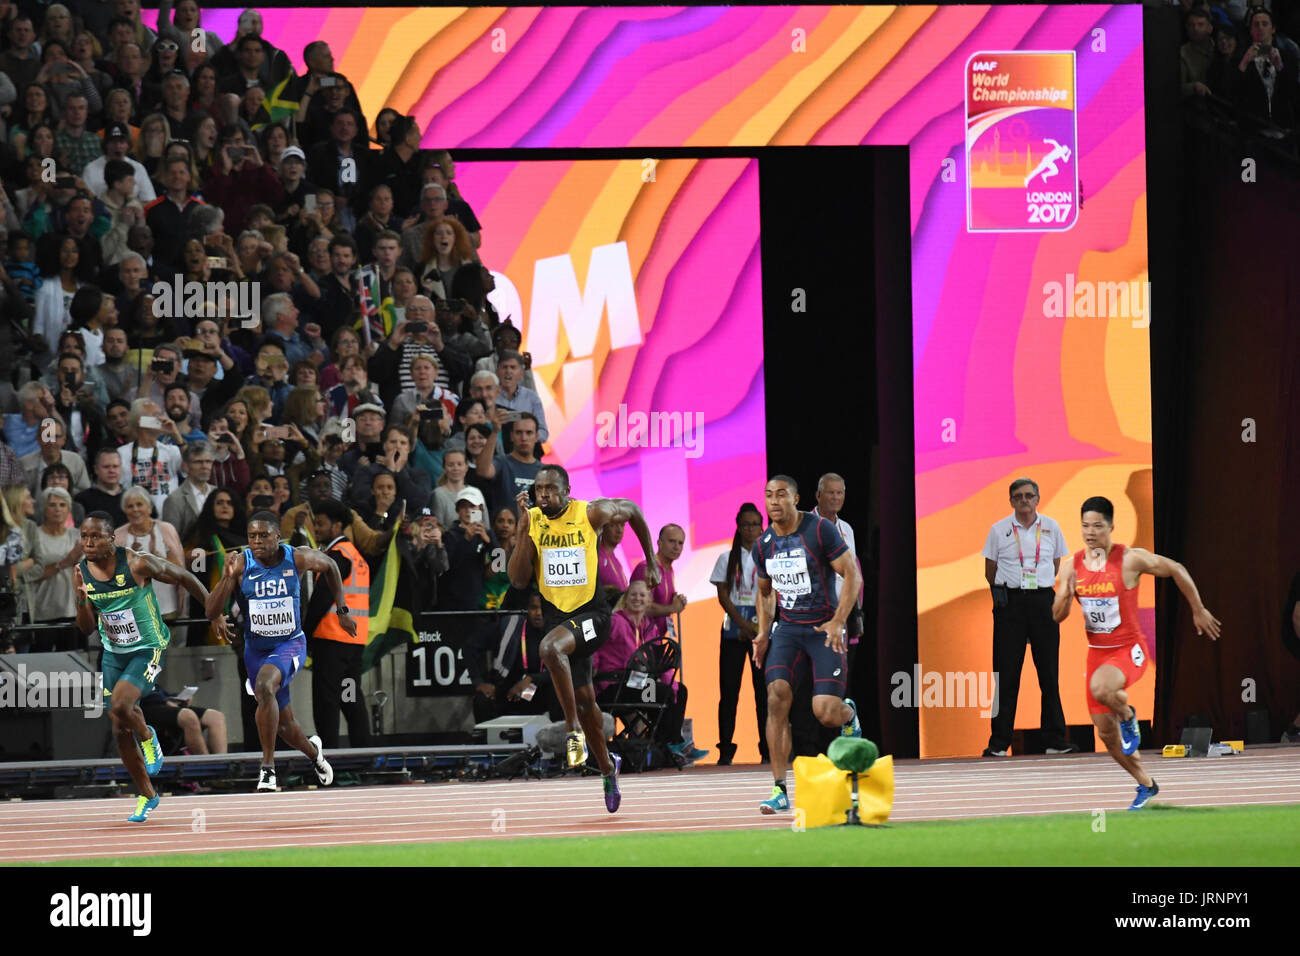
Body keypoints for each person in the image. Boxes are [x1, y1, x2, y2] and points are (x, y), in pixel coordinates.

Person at [507, 464, 663, 812]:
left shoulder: (591, 512)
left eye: (549, 489)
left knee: (549, 647)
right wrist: (521, 530)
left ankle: (572, 730)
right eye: (538, 489)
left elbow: (634, 510)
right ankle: (608, 767)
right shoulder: (533, 521)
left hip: (593, 617)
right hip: (559, 620)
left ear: (566, 490)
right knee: (586, 700)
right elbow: (517, 580)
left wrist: (651, 560)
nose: (542, 495)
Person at [1053, 496, 1221, 810]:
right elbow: (1057, 616)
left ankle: (1129, 716)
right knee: (1107, 736)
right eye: (1085, 526)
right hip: (1097, 655)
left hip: (1130, 651)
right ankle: (1146, 784)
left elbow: (1176, 568)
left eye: (1097, 526)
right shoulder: (1071, 567)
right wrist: (1064, 594)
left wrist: (1198, 609)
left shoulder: (1129, 559)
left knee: (1102, 688)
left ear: (1111, 526)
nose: (1090, 532)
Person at [74, 512, 230, 822]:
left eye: (95, 537)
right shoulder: (81, 572)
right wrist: (80, 600)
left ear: (111, 539)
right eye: (84, 537)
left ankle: (148, 736)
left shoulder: (136, 563)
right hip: (113, 652)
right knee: (118, 725)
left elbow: (185, 576)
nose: (88, 543)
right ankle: (147, 795)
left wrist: (214, 611)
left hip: (148, 648)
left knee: (121, 704)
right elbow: (86, 627)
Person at [205, 510, 351, 792]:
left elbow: (331, 566)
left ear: (276, 536)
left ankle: (268, 768)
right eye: (252, 536)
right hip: (255, 649)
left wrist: (342, 610)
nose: (257, 541)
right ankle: (315, 755)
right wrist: (227, 578)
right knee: (285, 727)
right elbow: (211, 610)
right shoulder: (240, 564)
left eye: (263, 535)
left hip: (289, 644)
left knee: (264, 686)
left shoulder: (297, 557)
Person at [752, 475, 863, 814]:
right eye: (768, 495)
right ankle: (779, 789)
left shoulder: (818, 530)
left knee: (825, 713)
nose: (774, 500)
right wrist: (762, 632)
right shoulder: (764, 544)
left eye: (781, 494)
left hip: (822, 629)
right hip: (787, 631)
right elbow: (765, 592)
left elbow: (851, 574)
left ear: (796, 498)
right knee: (776, 699)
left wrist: (838, 621)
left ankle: (849, 714)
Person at [981, 478, 1076, 757]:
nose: (1024, 501)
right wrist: (1009, 590)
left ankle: (1054, 740)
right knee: (1006, 674)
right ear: (1011, 501)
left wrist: (1039, 584)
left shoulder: (1051, 527)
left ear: (1037, 499)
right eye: (1018, 496)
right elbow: (990, 569)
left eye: (1029, 496)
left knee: (1049, 673)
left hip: (1043, 601)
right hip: (1010, 604)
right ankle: (998, 743)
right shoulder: (998, 530)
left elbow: (1056, 564)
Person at [304, 499, 372, 749]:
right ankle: (363, 758)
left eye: (321, 524)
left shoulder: (336, 557)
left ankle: (329, 759)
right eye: (315, 523)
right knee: (351, 699)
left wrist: (304, 635)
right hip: (354, 642)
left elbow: (321, 599)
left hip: (331, 640)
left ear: (338, 525)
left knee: (326, 702)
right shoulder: (356, 556)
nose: (317, 529)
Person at [711, 502, 767, 765]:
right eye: (746, 524)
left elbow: (772, 594)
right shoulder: (726, 558)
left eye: (755, 524)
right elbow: (723, 595)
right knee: (729, 692)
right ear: (738, 527)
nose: (751, 529)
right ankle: (725, 750)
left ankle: (767, 750)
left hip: (762, 629)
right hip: (733, 629)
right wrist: (744, 626)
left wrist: (760, 627)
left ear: (762, 527)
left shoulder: (769, 555)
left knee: (763, 693)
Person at [630, 523, 687, 639]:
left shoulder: (669, 570)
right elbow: (640, 607)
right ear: (659, 543)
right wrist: (672, 608)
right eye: (671, 541)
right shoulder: (646, 568)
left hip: (657, 640)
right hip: (640, 641)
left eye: (680, 543)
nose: (676, 547)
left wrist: (676, 600)